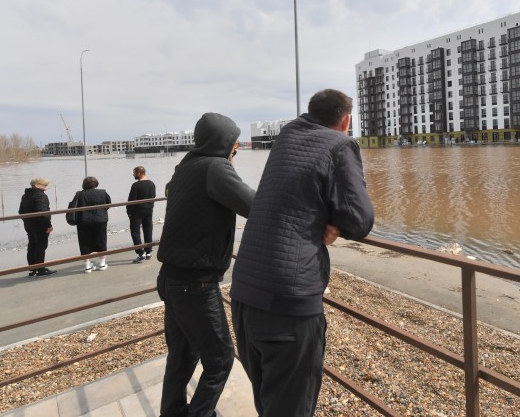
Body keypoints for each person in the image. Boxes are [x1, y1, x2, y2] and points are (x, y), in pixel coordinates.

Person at [230, 89, 375, 417]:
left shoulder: (286, 138)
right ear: (346, 121)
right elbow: (360, 220)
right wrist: (335, 222)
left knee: (269, 403)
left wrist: (323, 215)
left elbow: (297, 193)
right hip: (288, 305)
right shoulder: (340, 144)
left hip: (245, 296)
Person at [157, 112, 256, 417]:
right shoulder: (216, 168)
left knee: (182, 355)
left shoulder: (185, 167)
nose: (236, 147)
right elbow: (255, 205)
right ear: (223, 141)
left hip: (171, 278)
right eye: (234, 141)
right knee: (221, 360)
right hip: (195, 284)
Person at [71, 176, 111, 273]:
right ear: (96, 184)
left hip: (83, 221)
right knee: (101, 240)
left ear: (84, 184)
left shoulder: (79, 194)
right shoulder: (102, 192)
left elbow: (74, 206)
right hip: (100, 220)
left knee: (84, 242)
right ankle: (102, 263)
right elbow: (108, 203)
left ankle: (87, 266)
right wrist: (101, 211)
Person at [18, 177, 57, 277]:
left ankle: (33, 269)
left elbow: (21, 212)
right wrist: (48, 225)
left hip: (29, 225)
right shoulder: (41, 195)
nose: (46, 186)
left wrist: (27, 221)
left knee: (32, 245)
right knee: (41, 246)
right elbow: (42, 212)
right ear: (36, 185)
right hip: (40, 225)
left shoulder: (25, 195)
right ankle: (41, 270)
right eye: (44, 184)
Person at [127, 165, 156, 263]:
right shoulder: (151, 183)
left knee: (135, 232)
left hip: (137, 211)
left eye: (134, 173)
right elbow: (153, 196)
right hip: (149, 210)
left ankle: (140, 253)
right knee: (148, 230)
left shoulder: (136, 185)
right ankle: (148, 252)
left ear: (139, 173)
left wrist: (129, 211)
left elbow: (131, 200)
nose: (133, 175)